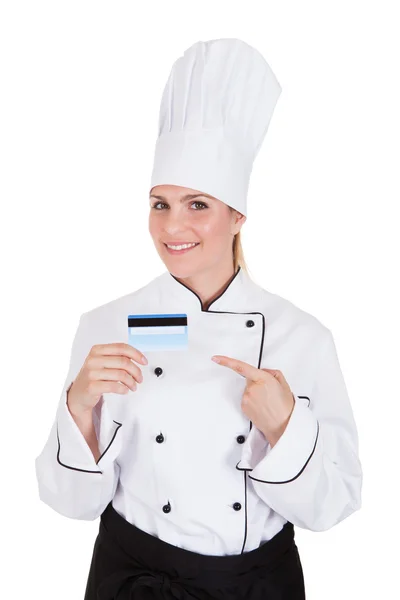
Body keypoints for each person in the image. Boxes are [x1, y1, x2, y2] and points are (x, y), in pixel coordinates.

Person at [35, 38, 363, 599]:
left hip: (255, 586)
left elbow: (332, 507)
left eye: (197, 205)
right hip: (135, 580)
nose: (172, 227)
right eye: (159, 204)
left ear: (237, 216)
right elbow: (70, 503)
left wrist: (286, 429)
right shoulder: (106, 326)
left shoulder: (301, 338)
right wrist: (79, 408)